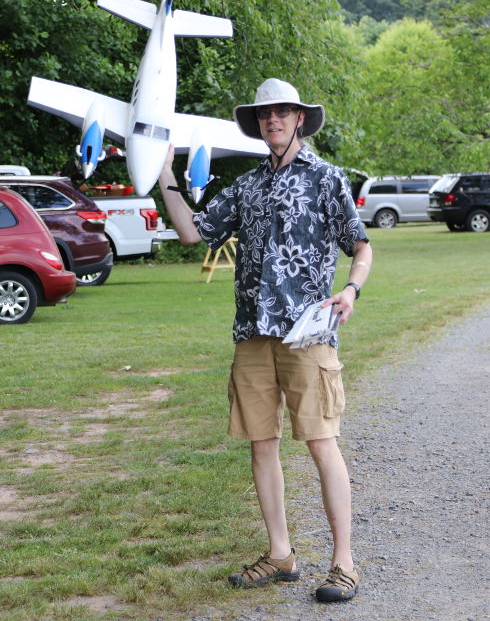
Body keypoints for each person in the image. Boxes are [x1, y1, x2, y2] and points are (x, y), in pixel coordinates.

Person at [158, 78, 372, 603]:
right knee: (262, 445)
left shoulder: (326, 179)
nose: (273, 119)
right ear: (257, 123)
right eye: (264, 114)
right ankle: (281, 555)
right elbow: (193, 233)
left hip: (307, 334)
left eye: (282, 112)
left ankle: (343, 563)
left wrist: (350, 290)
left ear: (299, 118)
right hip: (252, 335)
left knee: (322, 444)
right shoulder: (247, 186)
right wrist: (162, 173)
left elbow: (361, 247)